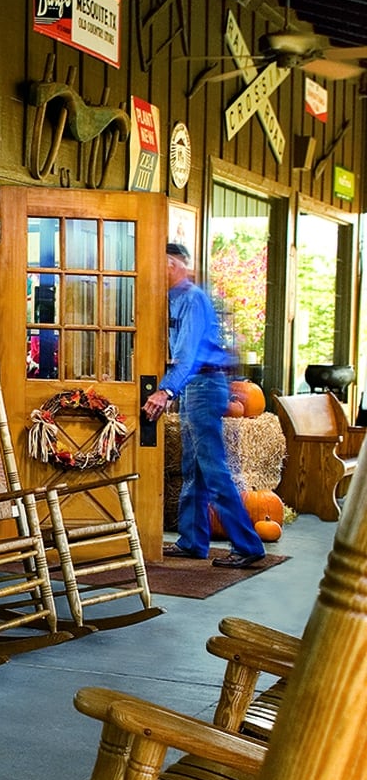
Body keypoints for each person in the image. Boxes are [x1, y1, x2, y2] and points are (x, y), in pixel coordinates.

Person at [143, 242, 266, 568]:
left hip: (203, 385)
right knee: (193, 469)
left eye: (163, 265)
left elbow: (189, 356)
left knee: (213, 470)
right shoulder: (172, 298)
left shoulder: (192, 299)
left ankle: (248, 544)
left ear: (173, 265)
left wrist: (165, 391)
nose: (160, 271)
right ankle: (193, 541)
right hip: (194, 388)